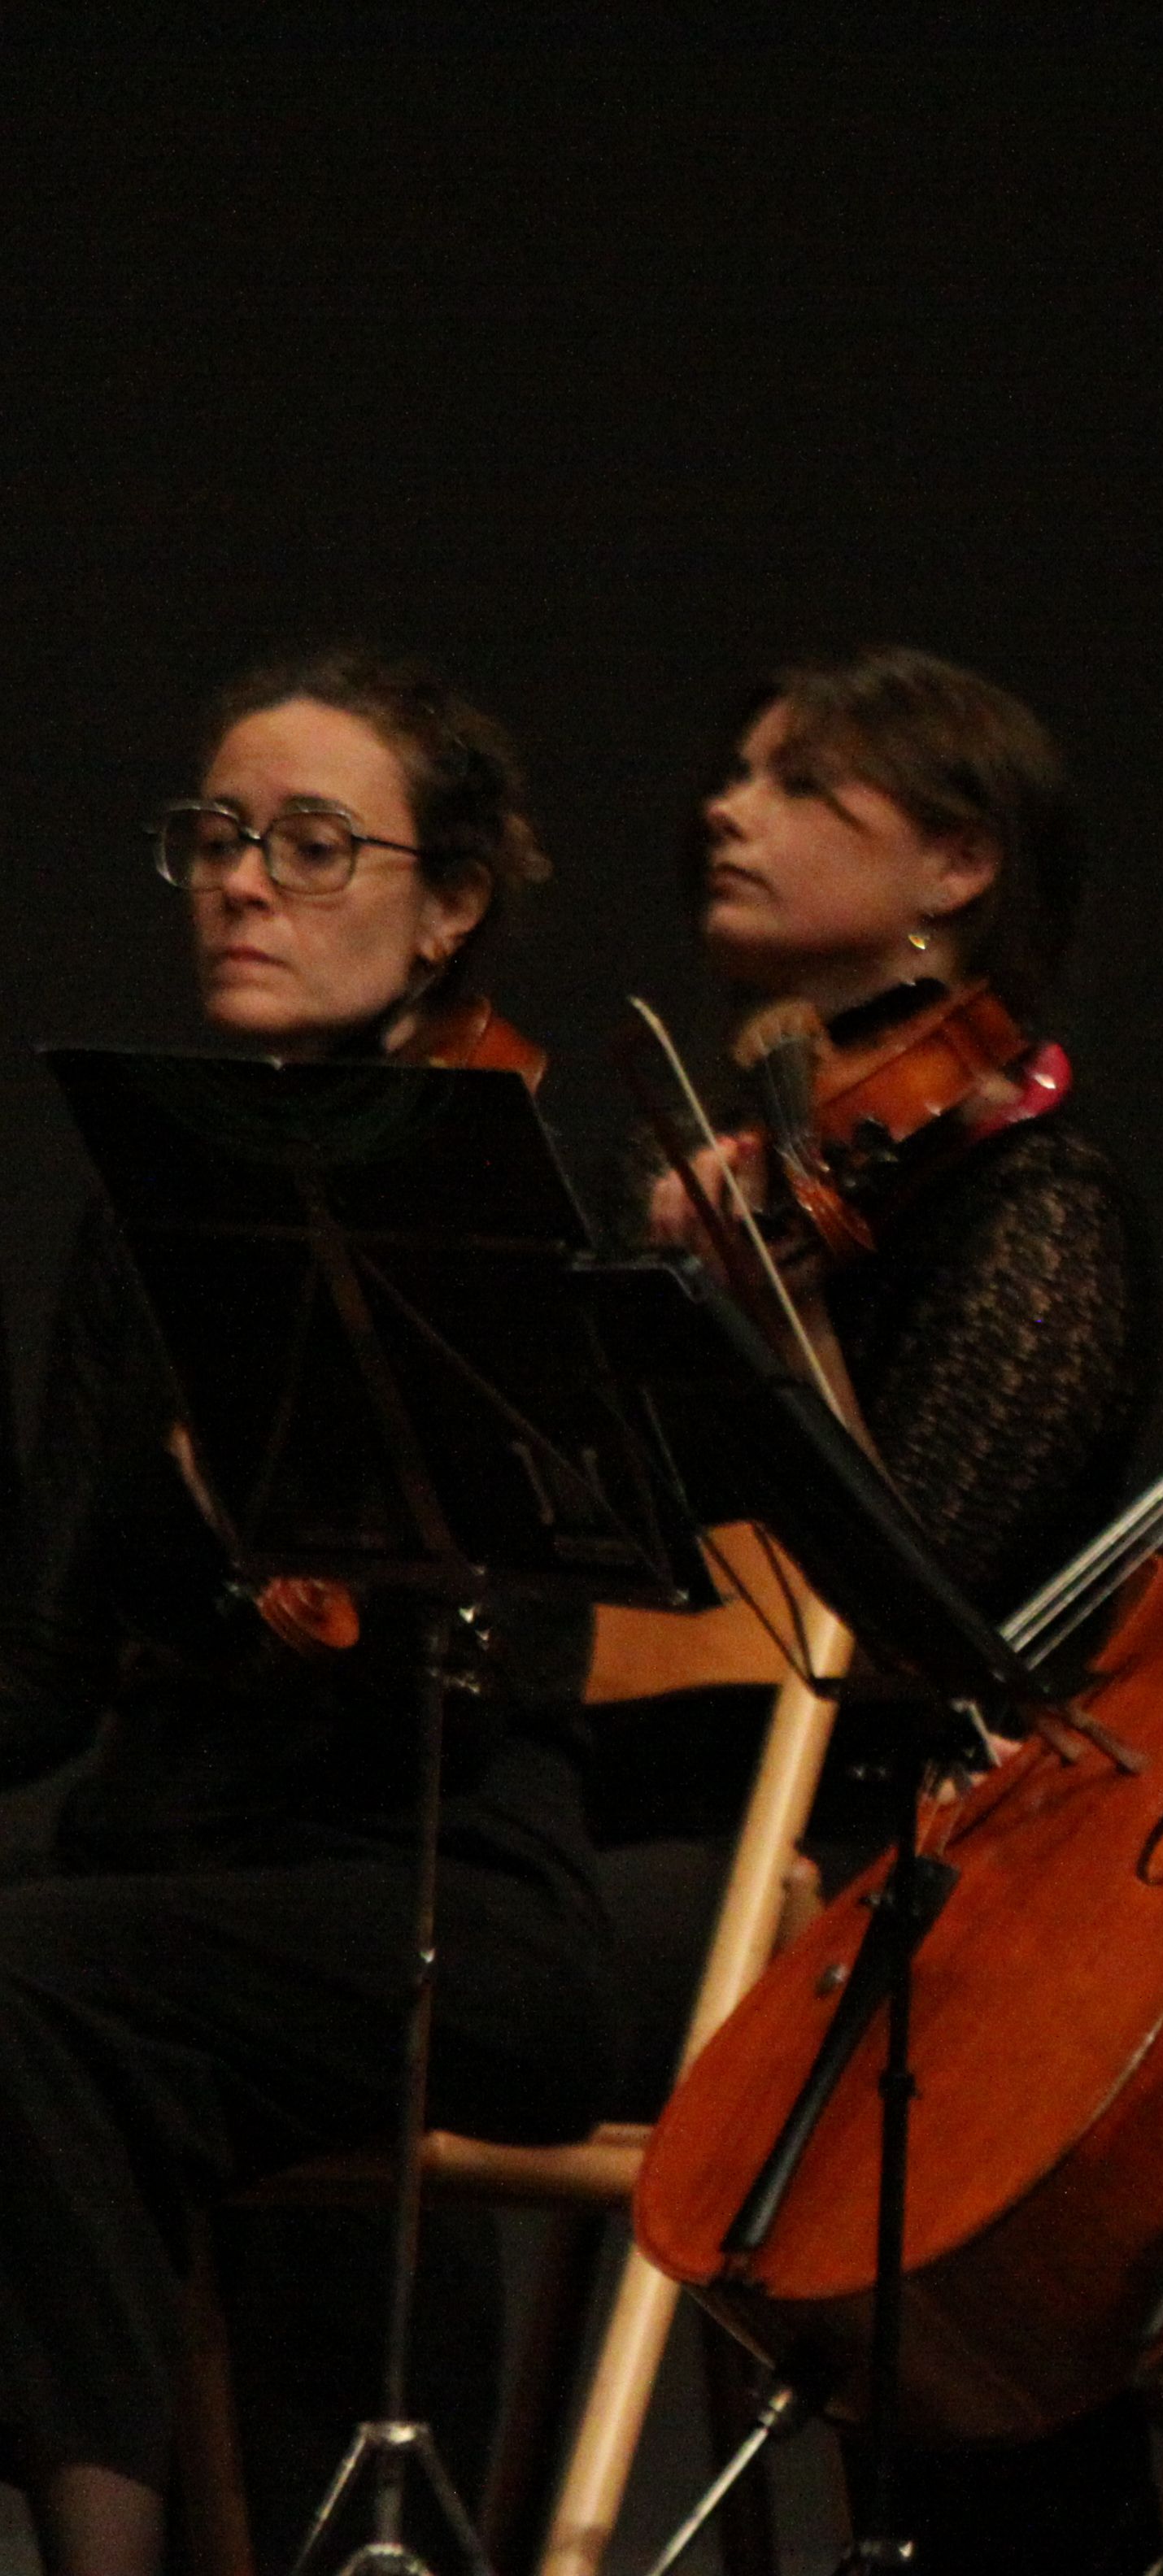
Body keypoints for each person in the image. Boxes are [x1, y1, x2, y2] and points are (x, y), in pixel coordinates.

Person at [0, 652, 599, 2576]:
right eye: (217, 837)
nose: (241, 880)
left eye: (315, 845)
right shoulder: (142, 1198)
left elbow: (495, 1652)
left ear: (450, 907)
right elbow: (49, 1655)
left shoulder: (497, 1190)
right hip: (186, 1887)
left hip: (444, 1891)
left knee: (19, 1978)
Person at [592, 646, 1161, 2576]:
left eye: (797, 786)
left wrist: (750, 1343)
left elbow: (928, 1586)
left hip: (903, 1857)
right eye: (732, 773)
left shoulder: (1030, 1202)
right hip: (674, 1800)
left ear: (952, 864)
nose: (724, 812)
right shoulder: (752, 1170)